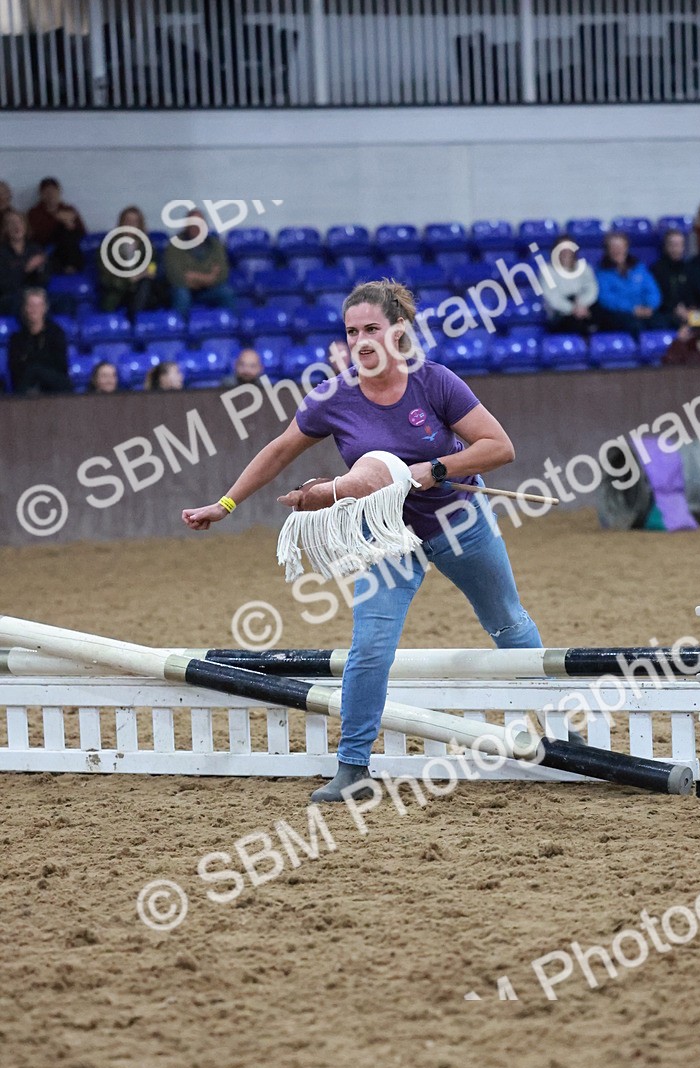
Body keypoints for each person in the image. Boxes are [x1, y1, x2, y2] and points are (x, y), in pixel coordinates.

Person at [182, 278, 544, 803]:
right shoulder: (333, 397)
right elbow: (281, 451)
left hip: (459, 524)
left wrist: (436, 468)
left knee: (507, 622)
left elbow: (499, 446)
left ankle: (562, 728)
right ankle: (352, 768)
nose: (361, 341)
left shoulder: (436, 382)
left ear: (399, 330)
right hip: (385, 538)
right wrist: (226, 504)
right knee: (370, 647)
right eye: (352, 332)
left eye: (372, 328)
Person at [163, 208, 235, 317]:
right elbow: (175, 277)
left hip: (209, 290)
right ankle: (180, 330)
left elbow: (223, 274)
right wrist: (209, 276)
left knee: (226, 293)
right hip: (183, 289)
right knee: (181, 294)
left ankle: (232, 327)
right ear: (186, 226)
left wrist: (193, 276)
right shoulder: (175, 245)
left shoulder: (215, 244)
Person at [98, 205, 165, 322]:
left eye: (135, 222)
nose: (131, 225)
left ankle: (136, 319)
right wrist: (128, 279)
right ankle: (135, 321)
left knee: (147, 283)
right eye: (127, 221)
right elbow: (106, 278)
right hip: (118, 291)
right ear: (121, 222)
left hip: (143, 289)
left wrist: (146, 273)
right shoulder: (108, 246)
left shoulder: (146, 244)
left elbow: (152, 265)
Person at [594, 232, 661, 335]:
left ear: (626, 248)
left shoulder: (639, 267)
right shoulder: (601, 272)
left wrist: (649, 306)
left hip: (645, 311)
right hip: (618, 315)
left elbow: (652, 290)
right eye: (613, 247)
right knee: (635, 326)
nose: (617, 250)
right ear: (607, 250)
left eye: (620, 246)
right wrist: (632, 309)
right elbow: (606, 298)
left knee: (662, 323)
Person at [8, 287, 71, 394]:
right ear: (25, 308)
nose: (34, 310)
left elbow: (61, 365)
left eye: (38, 305)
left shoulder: (56, 333)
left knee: (35, 371)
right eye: (30, 305)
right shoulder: (17, 338)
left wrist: (33, 363)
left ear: (45, 308)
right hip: (26, 384)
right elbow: (15, 369)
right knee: (31, 373)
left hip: (53, 383)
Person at [26, 177, 86, 274]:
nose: (50, 195)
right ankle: (69, 267)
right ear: (41, 194)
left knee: (67, 232)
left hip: (68, 247)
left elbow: (82, 232)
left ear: (59, 192)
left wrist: (69, 224)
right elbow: (36, 235)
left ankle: (71, 267)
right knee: (62, 231)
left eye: (53, 191)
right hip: (46, 247)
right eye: (46, 192)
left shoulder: (68, 209)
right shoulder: (34, 212)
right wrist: (57, 219)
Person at [542, 235, 599, 335]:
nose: (565, 251)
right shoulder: (547, 270)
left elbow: (592, 289)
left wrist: (582, 304)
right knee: (576, 324)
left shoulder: (584, 267)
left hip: (583, 306)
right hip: (561, 312)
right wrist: (572, 309)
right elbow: (552, 298)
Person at [0, 210, 48, 315]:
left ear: (25, 226)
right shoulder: (2, 253)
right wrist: (25, 269)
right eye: (11, 223)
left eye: (19, 222)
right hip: (10, 298)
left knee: (66, 301)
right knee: (25, 304)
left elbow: (44, 280)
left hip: (35, 295)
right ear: (5, 229)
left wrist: (40, 269)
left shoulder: (35, 249)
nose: (16, 226)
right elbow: (5, 286)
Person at [650, 229, 693, 328]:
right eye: (672, 244)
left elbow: (694, 293)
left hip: (690, 312)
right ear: (666, 246)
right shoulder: (656, 270)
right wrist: (674, 308)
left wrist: (690, 308)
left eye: (679, 245)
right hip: (666, 314)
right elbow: (657, 297)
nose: (676, 248)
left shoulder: (690, 268)